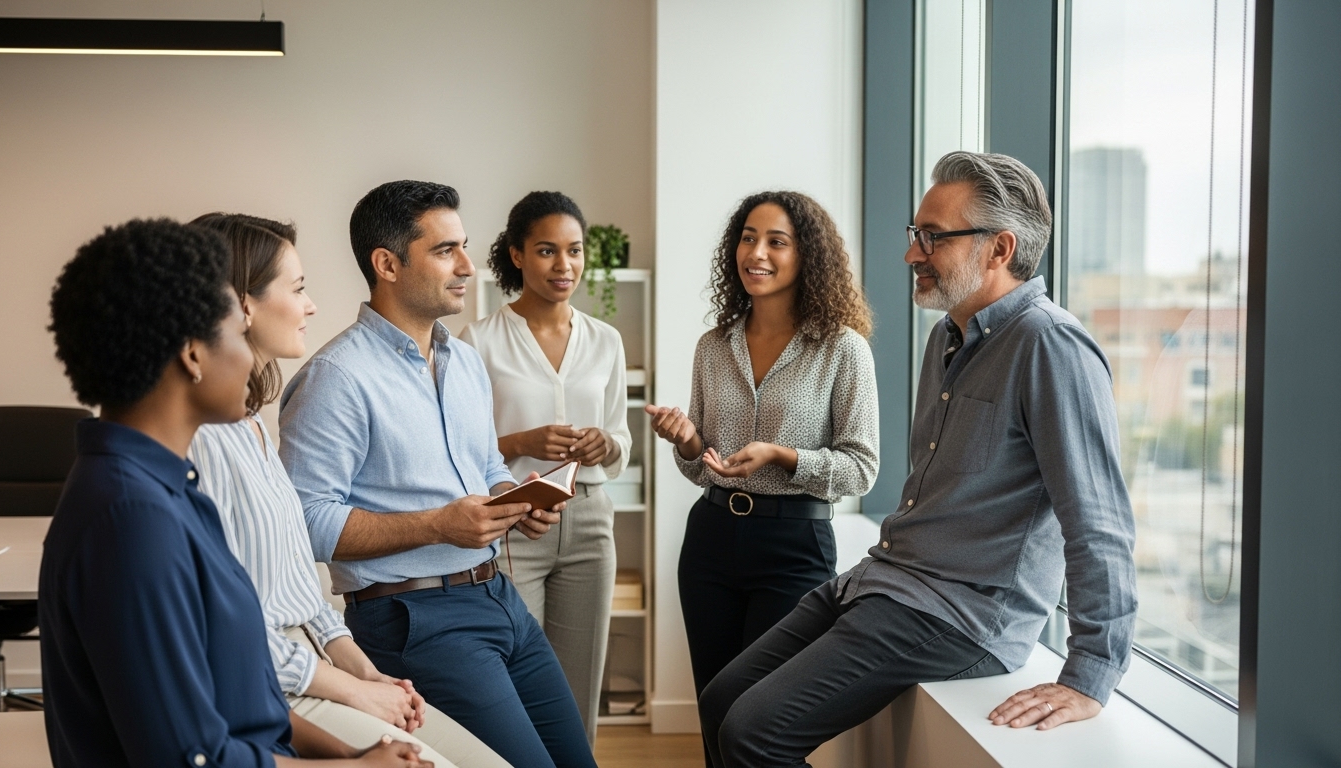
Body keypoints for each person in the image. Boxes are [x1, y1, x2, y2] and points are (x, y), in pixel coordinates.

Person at [696, 151, 1139, 767]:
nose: (911, 253)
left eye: (933, 237)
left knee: (752, 732)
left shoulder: (1050, 345)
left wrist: (1091, 672)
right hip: (888, 579)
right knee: (720, 701)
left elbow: (1098, 521)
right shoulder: (946, 338)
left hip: (958, 613)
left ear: (1000, 248)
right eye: (915, 233)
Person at [40, 218, 425, 767]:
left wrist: (351, 755)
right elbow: (190, 757)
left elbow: (249, 704)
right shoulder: (132, 519)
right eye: (236, 329)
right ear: (193, 353)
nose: (248, 355)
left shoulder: (171, 489)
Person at [278, 181, 597, 768]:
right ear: (387, 264)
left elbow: (487, 465)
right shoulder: (336, 377)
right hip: (415, 618)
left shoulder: (463, 361)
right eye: (446, 250)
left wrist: (514, 499)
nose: (468, 267)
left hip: (500, 597)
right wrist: (437, 526)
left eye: (464, 247)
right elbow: (304, 523)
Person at [185, 214, 509, 768]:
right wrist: (351, 689)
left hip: (318, 658)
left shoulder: (250, 424)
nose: (311, 306)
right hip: (279, 677)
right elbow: (227, 630)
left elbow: (298, 590)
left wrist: (363, 672)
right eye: (298, 289)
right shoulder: (205, 440)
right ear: (242, 305)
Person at [644, 191, 880, 764]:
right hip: (710, 540)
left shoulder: (842, 349)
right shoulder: (713, 346)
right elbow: (700, 462)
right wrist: (688, 440)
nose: (757, 253)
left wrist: (782, 455)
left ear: (808, 255)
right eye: (748, 238)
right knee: (713, 708)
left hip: (793, 548)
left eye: (777, 242)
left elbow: (861, 467)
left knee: (761, 719)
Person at [459, 191, 633, 745]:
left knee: (581, 679)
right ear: (516, 255)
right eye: (546, 250)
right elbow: (460, 449)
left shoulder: (606, 341)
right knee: (518, 679)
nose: (564, 265)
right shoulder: (478, 341)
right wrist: (522, 442)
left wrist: (604, 443)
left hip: (590, 522)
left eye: (574, 251)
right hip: (517, 521)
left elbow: (622, 438)